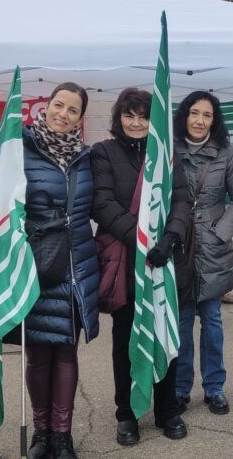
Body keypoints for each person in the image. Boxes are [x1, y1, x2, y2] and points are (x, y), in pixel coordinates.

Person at [91, 88, 193, 446]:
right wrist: (143, 238)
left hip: (162, 262)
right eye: (129, 115)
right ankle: (128, 413)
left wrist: (170, 239)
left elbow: (182, 200)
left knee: (164, 333)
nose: (135, 123)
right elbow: (100, 204)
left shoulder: (166, 155)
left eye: (144, 116)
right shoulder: (102, 153)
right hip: (126, 264)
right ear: (119, 117)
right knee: (127, 342)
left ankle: (167, 410)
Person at [13, 82, 100, 459]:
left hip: (76, 266)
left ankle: (62, 435)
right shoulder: (21, 149)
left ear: (81, 118)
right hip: (36, 264)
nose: (63, 114)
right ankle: (41, 433)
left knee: (66, 352)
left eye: (72, 110)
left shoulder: (86, 158)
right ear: (45, 107)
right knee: (38, 355)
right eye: (58, 105)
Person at [172, 91, 233, 416]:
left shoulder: (226, 152)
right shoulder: (170, 150)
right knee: (182, 321)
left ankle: (215, 388)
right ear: (184, 116)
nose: (200, 120)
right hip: (180, 244)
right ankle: (179, 389)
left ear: (214, 120)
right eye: (194, 113)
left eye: (207, 115)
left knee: (213, 321)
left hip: (214, 245)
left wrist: (222, 230)